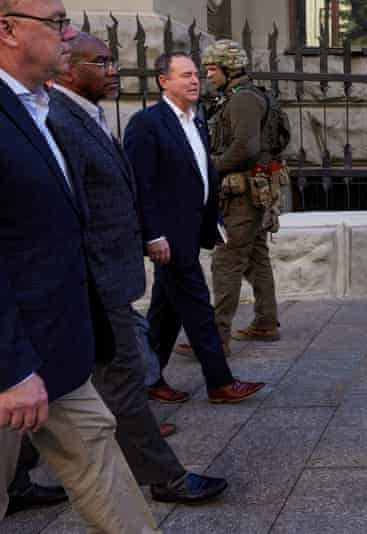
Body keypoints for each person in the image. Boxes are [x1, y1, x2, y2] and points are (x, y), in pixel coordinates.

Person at [42, 32, 228, 505]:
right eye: (99, 61)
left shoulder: (86, 114)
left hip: (110, 274)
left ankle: (17, 475)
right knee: (123, 377)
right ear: (66, 66)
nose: (112, 69)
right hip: (94, 278)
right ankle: (164, 476)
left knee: (57, 380)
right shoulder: (60, 119)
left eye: (112, 60)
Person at [0, 0, 159, 530]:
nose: (69, 34)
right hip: (10, 366)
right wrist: (13, 369)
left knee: (102, 466)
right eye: (55, 22)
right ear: (7, 29)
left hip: (59, 351)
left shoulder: (39, 108)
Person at [125, 51, 265, 405]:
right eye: (185, 75)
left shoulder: (197, 120)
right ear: (163, 81)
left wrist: (213, 222)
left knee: (166, 307)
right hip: (168, 236)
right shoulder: (147, 123)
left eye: (196, 75)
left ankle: (149, 377)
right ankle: (219, 381)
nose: (194, 81)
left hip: (191, 229)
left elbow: (202, 175)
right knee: (197, 303)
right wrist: (153, 234)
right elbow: (141, 185)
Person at [176, 39, 284, 358]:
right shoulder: (243, 95)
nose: (207, 76)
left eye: (211, 69)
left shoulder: (243, 100)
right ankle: (266, 322)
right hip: (253, 190)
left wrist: (206, 167)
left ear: (229, 68)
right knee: (255, 256)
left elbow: (244, 149)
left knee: (226, 261)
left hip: (242, 194)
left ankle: (215, 340)